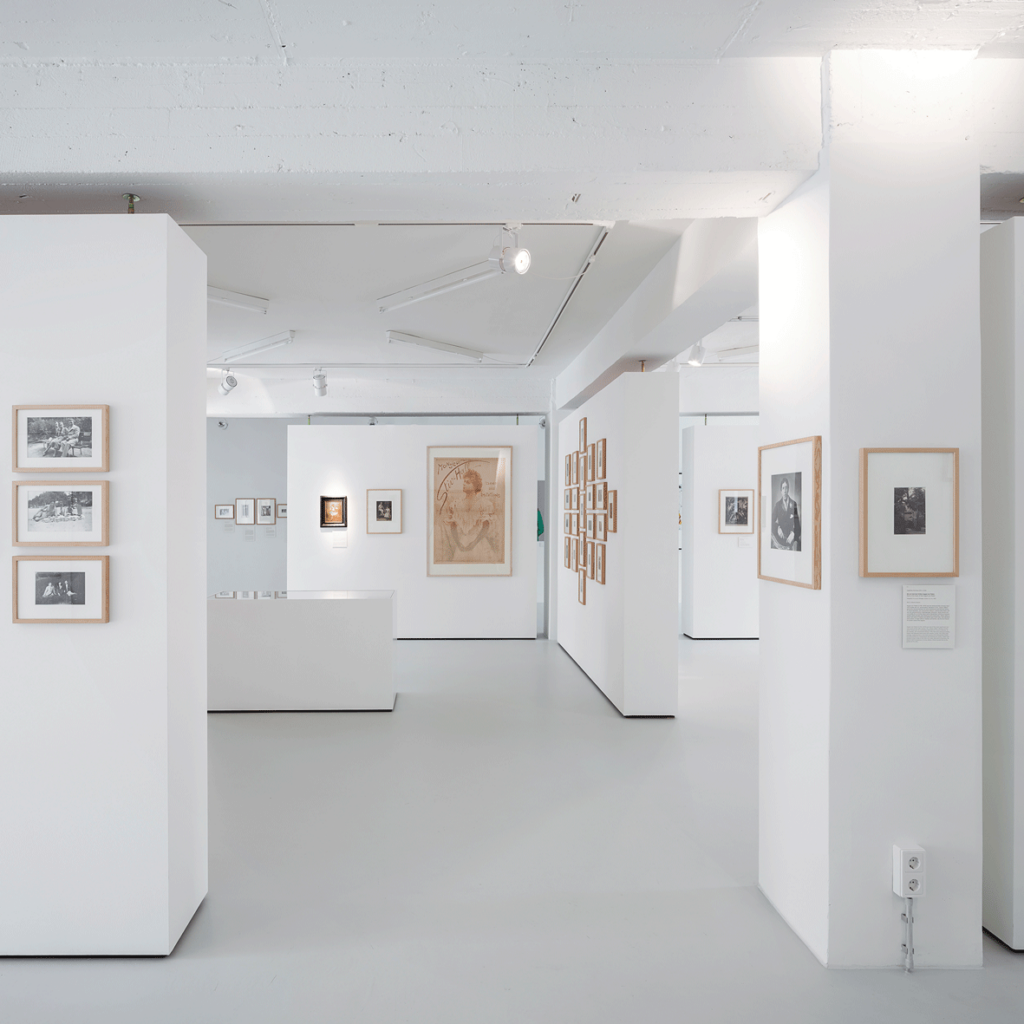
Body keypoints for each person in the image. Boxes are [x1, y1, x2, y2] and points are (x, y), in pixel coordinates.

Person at [442, 467, 500, 562]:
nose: (464, 484)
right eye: (463, 482)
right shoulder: (456, 504)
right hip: (462, 544)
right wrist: (458, 543)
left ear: (475, 486)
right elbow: (453, 526)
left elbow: (485, 526)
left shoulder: (484, 504)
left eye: (467, 482)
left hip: (479, 543)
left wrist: (474, 543)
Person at [771, 477, 800, 551]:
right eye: (783, 488)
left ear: (788, 489)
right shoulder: (777, 505)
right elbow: (771, 521)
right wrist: (777, 528)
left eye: (786, 488)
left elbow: (798, 525)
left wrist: (793, 534)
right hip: (780, 539)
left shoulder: (794, 504)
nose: (785, 490)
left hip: (791, 539)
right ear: (781, 490)